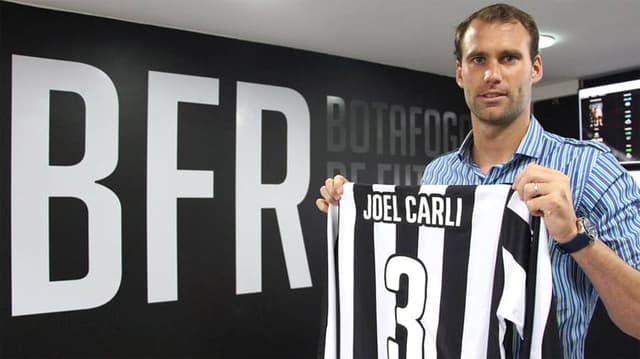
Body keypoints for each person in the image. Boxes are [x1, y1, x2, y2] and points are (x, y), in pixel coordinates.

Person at [316, 3, 640, 358]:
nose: (492, 75)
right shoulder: (439, 174)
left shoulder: (591, 169)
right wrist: (350, 211)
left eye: (509, 58)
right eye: (478, 60)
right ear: (460, 73)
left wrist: (574, 237)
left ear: (535, 68)